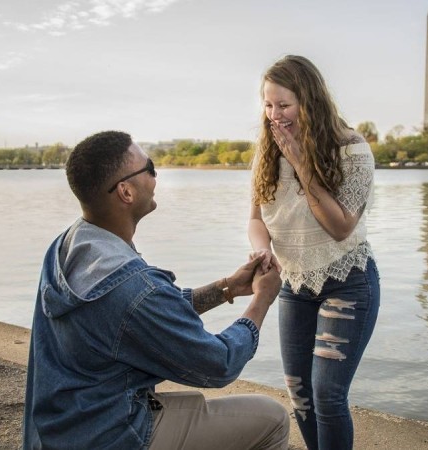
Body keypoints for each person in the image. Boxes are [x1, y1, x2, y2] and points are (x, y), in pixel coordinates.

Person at [22, 130, 289, 450]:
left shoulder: (69, 246)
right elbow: (220, 364)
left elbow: (143, 315)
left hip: (63, 428)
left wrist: (227, 287)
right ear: (126, 191)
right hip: (111, 434)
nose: (156, 174)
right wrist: (263, 297)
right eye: (148, 167)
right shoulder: (133, 287)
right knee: (273, 418)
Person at [248, 55, 380, 450]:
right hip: (295, 283)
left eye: (283, 105)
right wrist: (261, 252)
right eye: (268, 105)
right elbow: (256, 218)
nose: (274, 115)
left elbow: (340, 226)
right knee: (299, 393)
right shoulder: (266, 153)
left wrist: (303, 166)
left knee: (327, 395)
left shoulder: (352, 150)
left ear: (310, 101)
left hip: (349, 283)